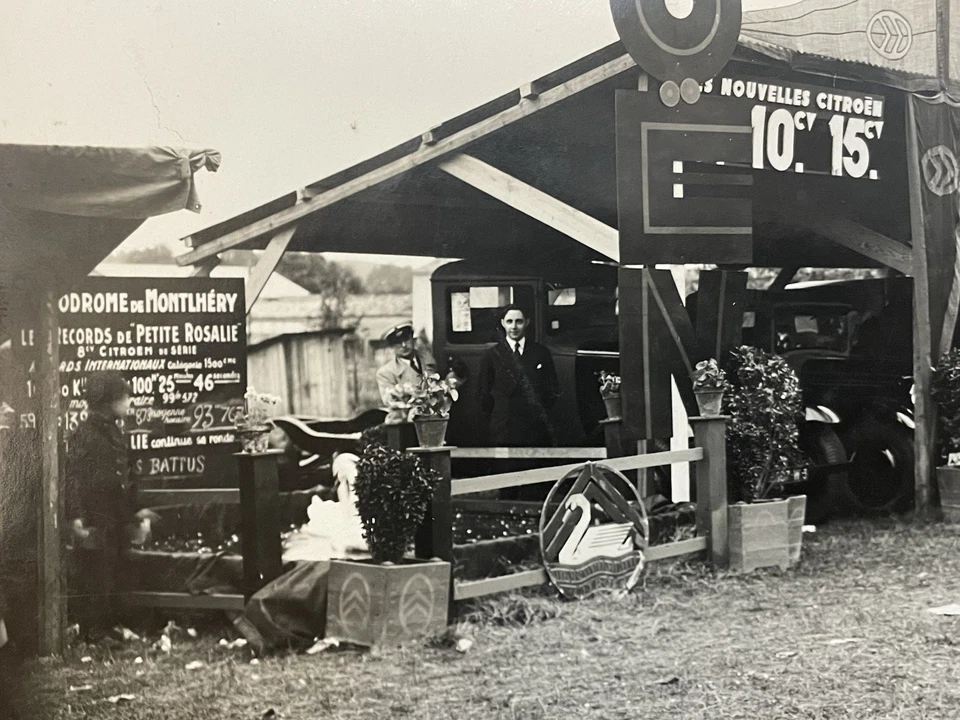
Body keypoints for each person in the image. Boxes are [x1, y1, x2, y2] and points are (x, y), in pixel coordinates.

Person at [65, 371, 155, 645]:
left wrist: (134, 513)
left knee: (115, 571)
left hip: (114, 516)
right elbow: (74, 478)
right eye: (125, 397)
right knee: (97, 574)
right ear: (108, 401)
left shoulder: (113, 430)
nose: (129, 402)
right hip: (96, 517)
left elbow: (122, 476)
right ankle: (94, 631)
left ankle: (109, 625)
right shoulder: (85, 435)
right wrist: (76, 517)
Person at [478, 304, 560, 448]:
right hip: (504, 431)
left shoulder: (540, 353)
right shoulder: (492, 355)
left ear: (526, 322)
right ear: (503, 323)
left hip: (534, 431)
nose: (514, 327)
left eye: (519, 321)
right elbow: (483, 394)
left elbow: (552, 391)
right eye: (509, 321)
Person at [375, 323, 436, 420]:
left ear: (412, 338)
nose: (403, 345)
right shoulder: (386, 373)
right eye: (397, 343)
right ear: (391, 347)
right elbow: (391, 401)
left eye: (406, 339)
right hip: (408, 421)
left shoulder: (429, 359)